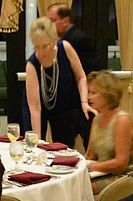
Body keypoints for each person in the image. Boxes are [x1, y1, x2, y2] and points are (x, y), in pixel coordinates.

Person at [25, 16, 94, 147]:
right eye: (37, 47)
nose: (41, 52)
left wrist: (84, 102)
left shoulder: (65, 48)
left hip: (65, 104)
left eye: (45, 46)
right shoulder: (32, 65)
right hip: (39, 106)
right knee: (34, 143)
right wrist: (37, 141)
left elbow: (81, 77)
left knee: (63, 146)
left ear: (54, 40)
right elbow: (35, 108)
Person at [83, 70, 133, 195]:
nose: (88, 97)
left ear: (108, 93)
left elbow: (120, 163)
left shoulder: (122, 120)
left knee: (79, 189)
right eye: (88, 92)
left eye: (93, 93)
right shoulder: (97, 118)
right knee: (72, 183)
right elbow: (89, 155)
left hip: (124, 177)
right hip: (101, 172)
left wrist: (91, 167)